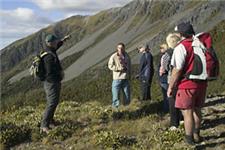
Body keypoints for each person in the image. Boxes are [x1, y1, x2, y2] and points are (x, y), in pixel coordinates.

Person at [167, 22, 207, 145]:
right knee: (197, 110)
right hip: (201, 83)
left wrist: (171, 86)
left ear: (181, 34)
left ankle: (189, 140)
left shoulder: (181, 47)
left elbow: (177, 69)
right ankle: (197, 135)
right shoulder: (200, 44)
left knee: (187, 112)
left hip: (187, 85)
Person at [40, 34, 70, 133]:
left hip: (52, 82)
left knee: (54, 102)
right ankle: (44, 125)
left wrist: (63, 40)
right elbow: (49, 72)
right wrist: (59, 75)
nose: (57, 42)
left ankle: (51, 121)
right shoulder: (48, 56)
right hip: (52, 83)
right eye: (55, 41)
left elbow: (58, 46)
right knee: (52, 103)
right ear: (51, 43)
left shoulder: (49, 50)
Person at [165, 33, 183, 130]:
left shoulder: (169, 53)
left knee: (172, 102)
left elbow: (168, 67)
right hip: (183, 80)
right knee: (182, 101)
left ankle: (174, 124)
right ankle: (183, 120)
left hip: (173, 80)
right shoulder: (183, 50)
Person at [108, 42, 131, 109]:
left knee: (127, 96)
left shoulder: (127, 56)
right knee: (116, 96)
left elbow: (129, 66)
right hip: (117, 78)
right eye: (119, 48)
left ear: (124, 48)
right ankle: (115, 111)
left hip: (125, 78)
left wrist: (129, 75)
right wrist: (118, 69)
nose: (120, 49)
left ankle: (127, 109)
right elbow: (110, 66)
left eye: (121, 48)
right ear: (117, 48)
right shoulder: (114, 56)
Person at [158, 43, 169, 113]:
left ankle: (166, 109)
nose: (160, 49)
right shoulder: (167, 55)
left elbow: (164, 68)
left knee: (166, 94)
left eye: (161, 48)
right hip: (165, 78)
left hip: (165, 78)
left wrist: (161, 72)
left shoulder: (165, 56)